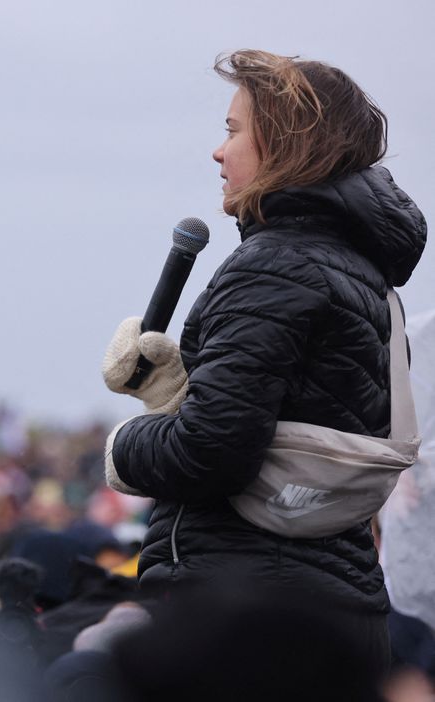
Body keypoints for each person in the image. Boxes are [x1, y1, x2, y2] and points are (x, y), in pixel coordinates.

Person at [101, 48, 426, 670]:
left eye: (232, 130)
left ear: (287, 141)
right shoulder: (362, 271)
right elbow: (281, 428)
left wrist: (124, 444)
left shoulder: (275, 264)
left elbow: (211, 453)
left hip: (244, 616)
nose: (218, 152)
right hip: (333, 602)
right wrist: (174, 392)